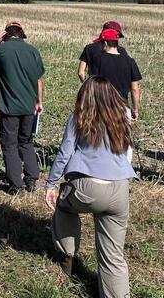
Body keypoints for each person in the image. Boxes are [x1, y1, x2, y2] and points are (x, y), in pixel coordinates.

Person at [45, 77, 135, 298]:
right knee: (113, 255)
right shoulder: (123, 115)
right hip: (120, 190)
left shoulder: (79, 117)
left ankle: (67, 255)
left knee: (64, 206)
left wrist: (51, 183)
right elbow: (128, 152)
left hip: (87, 187)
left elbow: (65, 153)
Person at [0, 21, 44, 193]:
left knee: (9, 145)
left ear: (6, 34)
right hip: (30, 106)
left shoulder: (1, 49)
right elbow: (39, 79)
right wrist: (39, 101)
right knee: (26, 141)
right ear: (22, 33)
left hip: (9, 107)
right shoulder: (32, 50)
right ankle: (31, 178)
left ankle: (16, 184)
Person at [89, 28, 142, 163]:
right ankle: (125, 167)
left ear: (105, 43)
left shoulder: (98, 59)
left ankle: (104, 164)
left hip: (102, 105)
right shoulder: (130, 61)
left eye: (101, 43)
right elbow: (135, 89)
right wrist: (135, 109)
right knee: (125, 138)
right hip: (123, 106)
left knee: (102, 137)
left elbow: (93, 83)